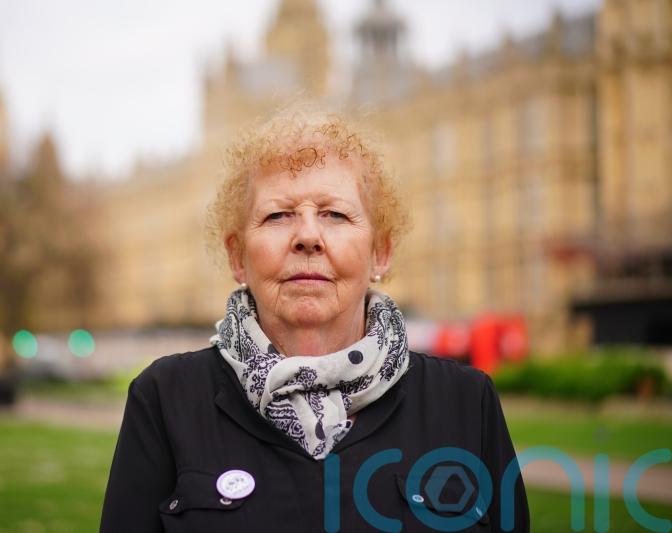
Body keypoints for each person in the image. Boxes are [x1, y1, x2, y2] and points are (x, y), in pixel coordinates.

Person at [100, 108, 529, 532]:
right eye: (278, 215)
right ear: (237, 256)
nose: (308, 236)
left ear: (380, 251)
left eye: (335, 214)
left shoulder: (465, 403)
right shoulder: (166, 399)